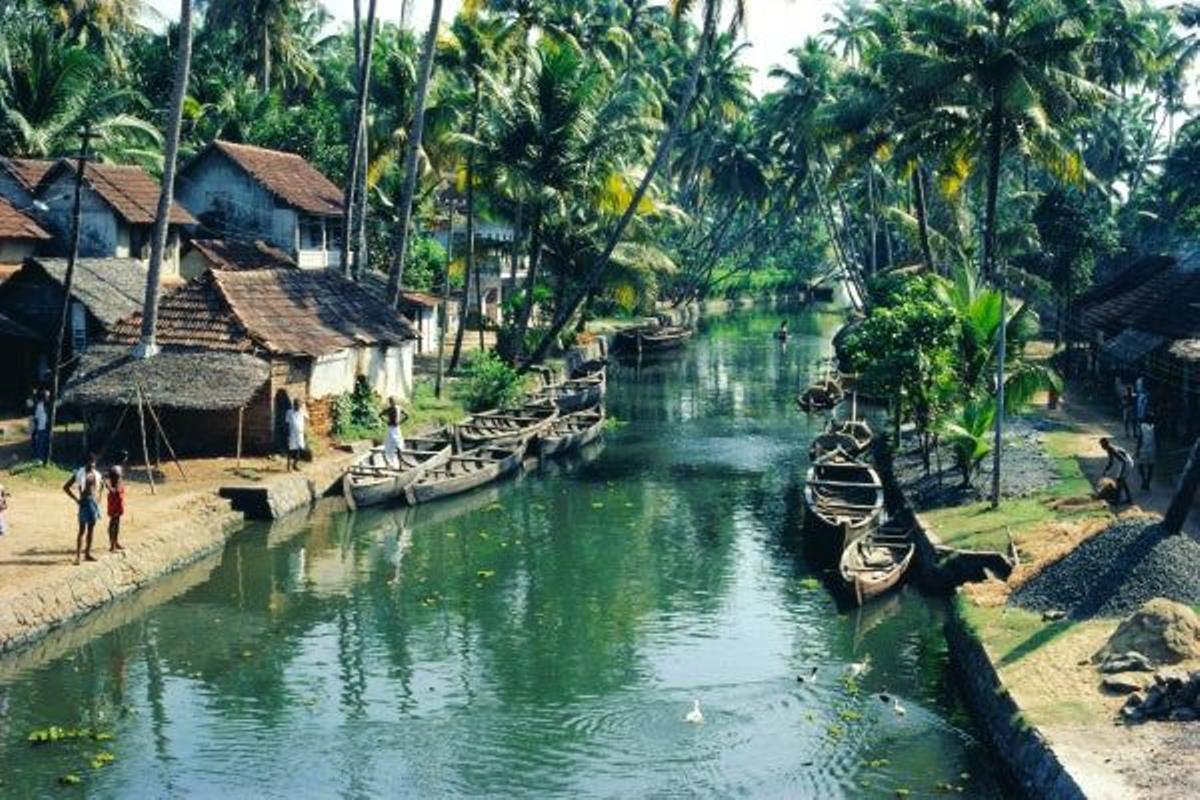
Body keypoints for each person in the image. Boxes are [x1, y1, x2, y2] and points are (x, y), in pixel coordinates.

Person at [63, 454, 103, 564]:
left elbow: (101, 486)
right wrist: (76, 499)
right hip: (84, 503)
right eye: (90, 462)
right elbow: (66, 487)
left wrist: (99, 498)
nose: (92, 464)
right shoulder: (79, 474)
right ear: (86, 463)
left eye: (93, 462)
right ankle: (78, 557)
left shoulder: (96, 474)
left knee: (91, 530)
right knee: (82, 530)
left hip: (93, 504)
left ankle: (88, 553)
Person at [1100, 437, 1135, 506]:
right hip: (1126, 462)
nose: (1101, 447)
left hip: (1127, 463)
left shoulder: (1112, 449)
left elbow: (1124, 461)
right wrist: (1105, 470)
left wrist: (1121, 473)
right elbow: (1111, 462)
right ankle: (1129, 499)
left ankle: (1117, 501)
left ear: (1106, 444)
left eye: (1102, 445)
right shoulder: (1109, 449)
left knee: (1119, 481)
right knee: (1122, 481)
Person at [381, 397, 408, 467]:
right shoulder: (391, 409)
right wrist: (386, 421)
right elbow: (380, 415)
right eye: (391, 401)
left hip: (396, 428)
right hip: (391, 428)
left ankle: (400, 464)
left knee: (398, 445)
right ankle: (390, 462)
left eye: (392, 401)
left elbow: (407, 416)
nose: (392, 403)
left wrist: (400, 422)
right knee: (389, 445)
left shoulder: (397, 408)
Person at [104, 466, 125, 552]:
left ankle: (115, 542)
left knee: (117, 523)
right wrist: (108, 486)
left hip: (118, 503)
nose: (120, 476)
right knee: (113, 524)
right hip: (114, 503)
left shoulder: (118, 479)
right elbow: (114, 491)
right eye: (118, 475)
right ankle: (112, 545)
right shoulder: (112, 482)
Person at [285, 398, 306, 471]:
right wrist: (287, 435)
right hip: (292, 434)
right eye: (296, 405)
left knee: (299, 449)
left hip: (300, 434)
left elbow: (306, 420)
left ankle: (295, 465)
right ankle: (288, 466)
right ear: (293, 405)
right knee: (291, 450)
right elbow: (287, 424)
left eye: (299, 405)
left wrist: (304, 431)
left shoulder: (302, 412)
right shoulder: (289, 412)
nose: (297, 406)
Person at [1136, 416, 1157, 492]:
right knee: (1150, 467)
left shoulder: (1142, 426)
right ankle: (1147, 482)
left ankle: (1144, 480)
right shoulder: (1154, 427)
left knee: (1140, 465)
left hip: (1143, 448)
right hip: (1152, 448)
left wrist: (1137, 449)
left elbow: (1140, 438)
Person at [30, 388, 49, 462]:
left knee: (44, 444)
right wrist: (36, 428)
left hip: (45, 428)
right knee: (40, 444)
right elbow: (36, 418)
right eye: (47, 396)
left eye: (48, 396)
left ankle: (43, 458)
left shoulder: (47, 406)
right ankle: (40, 458)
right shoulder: (39, 405)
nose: (48, 398)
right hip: (41, 428)